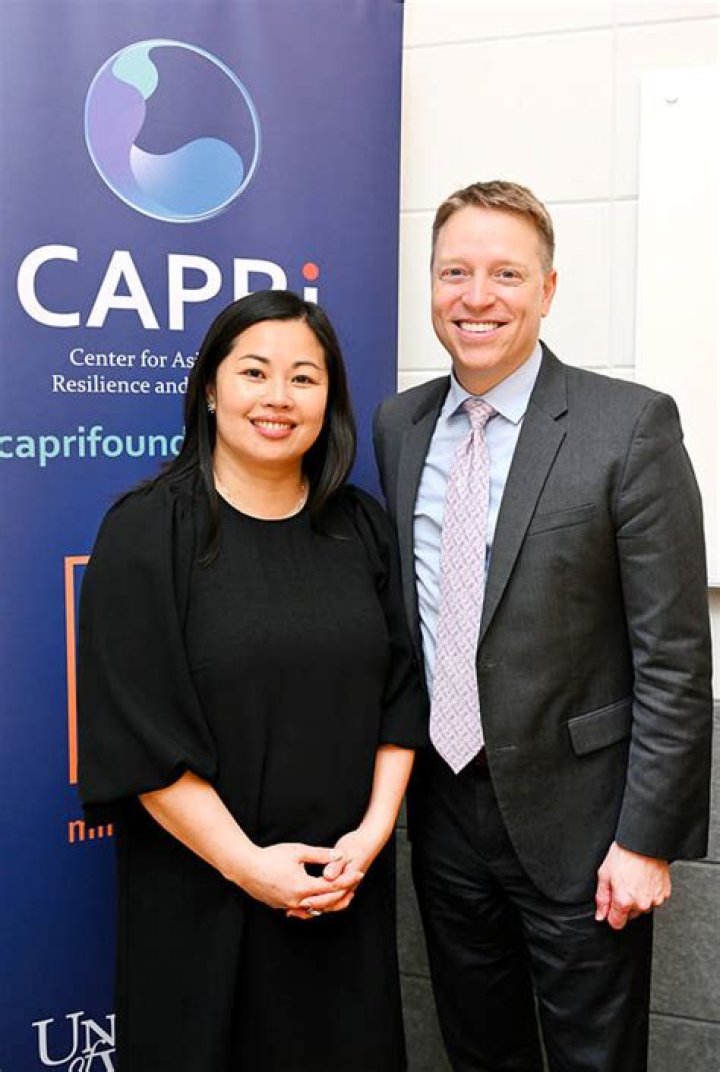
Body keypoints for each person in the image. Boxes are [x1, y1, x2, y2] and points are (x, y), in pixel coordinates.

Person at [373, 180, 713, 1072]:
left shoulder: (628, 427)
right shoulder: (399, 425)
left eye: (506, 273)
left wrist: (646, 841)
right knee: (477, 1050)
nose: (476, 296)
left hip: (584, 825)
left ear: (548, 289)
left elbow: (675, 659)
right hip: (444, 814)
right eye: (454, 272)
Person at [78, 289, 427, 1072]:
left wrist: (370, 839)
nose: (279, 397)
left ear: (330, 399)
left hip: (341, 894)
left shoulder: (362, 528)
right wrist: (251, 867)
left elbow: (402, 695)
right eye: (254, 372)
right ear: (210, 388)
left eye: (304, 378)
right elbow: (137, 735)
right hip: (201, 900)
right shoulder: (145, 532)